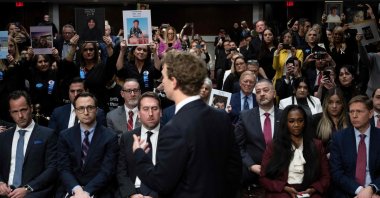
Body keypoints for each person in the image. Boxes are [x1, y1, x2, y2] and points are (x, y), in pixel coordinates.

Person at [132, 51, 242, 197]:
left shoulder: (173, 129)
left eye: (164, 77)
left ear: (175, 81)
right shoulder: (221, 117)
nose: (161, 81)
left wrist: (139, 154)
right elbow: (235, 169)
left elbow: (160, 182)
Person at [56, 92, 119, 198]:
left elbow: (107, 171)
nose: (86, 112)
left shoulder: (110, 137)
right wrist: (77, 190)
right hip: (71, 189)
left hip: (99, 191)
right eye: (80, 108)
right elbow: (63, 168)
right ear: (75, 111)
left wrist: (87, 192)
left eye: (90, 107)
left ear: (96, 109)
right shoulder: (65, 135)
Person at [260, 105, 330, 197]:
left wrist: (313, 189)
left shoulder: (317, 145)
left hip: (310, 191)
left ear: (305, 122)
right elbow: (263, 178)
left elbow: (326, 177)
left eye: (300, 121)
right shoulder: (274, 145)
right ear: (285, 123)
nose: (296, 125)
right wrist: (284, 188)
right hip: (282, 191)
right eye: (291, 121)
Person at [0, 90, 57, 197]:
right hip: (5, 193)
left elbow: (52, 168)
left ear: (31, 108)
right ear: (10, 113)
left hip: (33, 193)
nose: (20, 115)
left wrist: (28, 188)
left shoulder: (47, 135)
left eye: (23, 110)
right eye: (15, 112)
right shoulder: (3, 137)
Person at [234, 79, 283, 197]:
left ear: (274, 93)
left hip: (280, 169)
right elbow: (237, 146)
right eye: (258, 91)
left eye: (266, 90)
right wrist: (251, 165)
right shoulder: (245, 116)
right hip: (251, 170)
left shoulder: (285, 115)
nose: (262, 94)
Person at [330, 95, 380, 197]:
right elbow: (336, 173)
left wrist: (372, 188)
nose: (354, 115)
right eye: (351, 112)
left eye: (359, 111)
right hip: (348, 191)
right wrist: (361, 191)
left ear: (370, 113)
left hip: (375, 191)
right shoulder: (339, 138)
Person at [117, 92, 161, 198]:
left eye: (154, 108)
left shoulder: (170, 136)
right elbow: (121, 171)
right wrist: (131, 194)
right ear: (139, 114)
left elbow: (173, 173)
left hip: (160, 192)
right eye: (145, 109)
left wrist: (155, 196)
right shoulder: (127, 137)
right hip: (133, 191)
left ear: (161, 112)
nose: (150, 113)